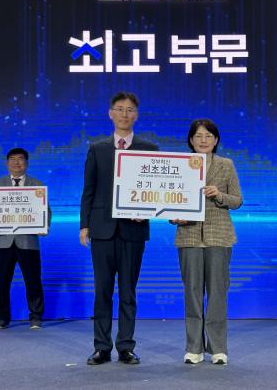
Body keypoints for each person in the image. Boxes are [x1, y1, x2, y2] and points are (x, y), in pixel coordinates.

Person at [80, 91, 158, 365]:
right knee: (102, 291)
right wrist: (84, 225)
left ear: (136, 115)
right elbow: (88, 190)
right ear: (110, 113)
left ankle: (126, 346)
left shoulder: (150, 149)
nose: (125, 114)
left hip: (133, 232)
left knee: (128, 292)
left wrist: (145, 211)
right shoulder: (97, 148)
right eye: (120, 109)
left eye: (130, 110)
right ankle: (102, 347)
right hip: (102, 230)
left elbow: (155, 192)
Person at [171, 119, 243, 365]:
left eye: (208, 136)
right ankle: (194, 348)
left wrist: (219, 195)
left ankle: (218, 348)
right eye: (199, 136)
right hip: (189, 236)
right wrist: (174, 216)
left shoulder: (226, 165)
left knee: (217, 293)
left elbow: (237, 200)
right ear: (191, 140)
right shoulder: (179, 166)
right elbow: (169, 200)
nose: (203, 140)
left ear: (216, 140)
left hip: (218, 236)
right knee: (191, 293)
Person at [0, 148, 49, 330]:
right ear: (7, 163)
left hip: (28, 241)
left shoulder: (37, 184)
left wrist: (45, 225)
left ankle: (36, 317)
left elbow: (46, 210)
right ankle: (1, 318)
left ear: (27, 163)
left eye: (21, 159)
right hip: (3, 241)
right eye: (13, 159)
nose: (17, 162)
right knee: (2, 282)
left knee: (33, 280)